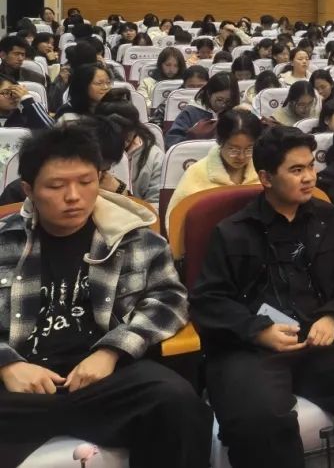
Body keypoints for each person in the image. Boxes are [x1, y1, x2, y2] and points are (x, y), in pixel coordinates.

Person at [189, 126, 334, 468]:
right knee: (259, 420)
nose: (309, 177)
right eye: (296, 170)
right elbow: (208, 300)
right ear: (266, 178)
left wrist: (333, 315)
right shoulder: (233, 232)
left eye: (311, 166)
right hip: (252, 348)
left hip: (319, 336)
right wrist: (257, 330)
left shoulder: (332, 219)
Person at [0, 124, 211, 468]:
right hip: (21, 386)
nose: (74, 196)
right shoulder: (4, 241)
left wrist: (112, 350)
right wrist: (7, 363)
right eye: (56, 186)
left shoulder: (135, 239)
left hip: (105, 382)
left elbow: (170, 299)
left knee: (178, 403)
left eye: (86, 182)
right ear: (29, 189)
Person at [166, 109, 263, 232]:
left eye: (249, 149)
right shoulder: (197, 173)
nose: (241, 157)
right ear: (220, 142)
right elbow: (175, 222)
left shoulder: (262, 171)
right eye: (234, 150)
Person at [96, 99, 163, 205]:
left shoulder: (154, 157)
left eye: (126, 130)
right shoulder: (87, 153)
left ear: (136, 128)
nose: (120, 136)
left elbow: (156, 207)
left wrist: (121, 191)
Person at [165, 73, 240, 148]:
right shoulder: (191, 111)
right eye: (219, 100)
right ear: (208, 93)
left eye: (228, 101)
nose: (223, 105)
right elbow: (171, 141)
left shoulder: (234, 111)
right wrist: (192, 136)